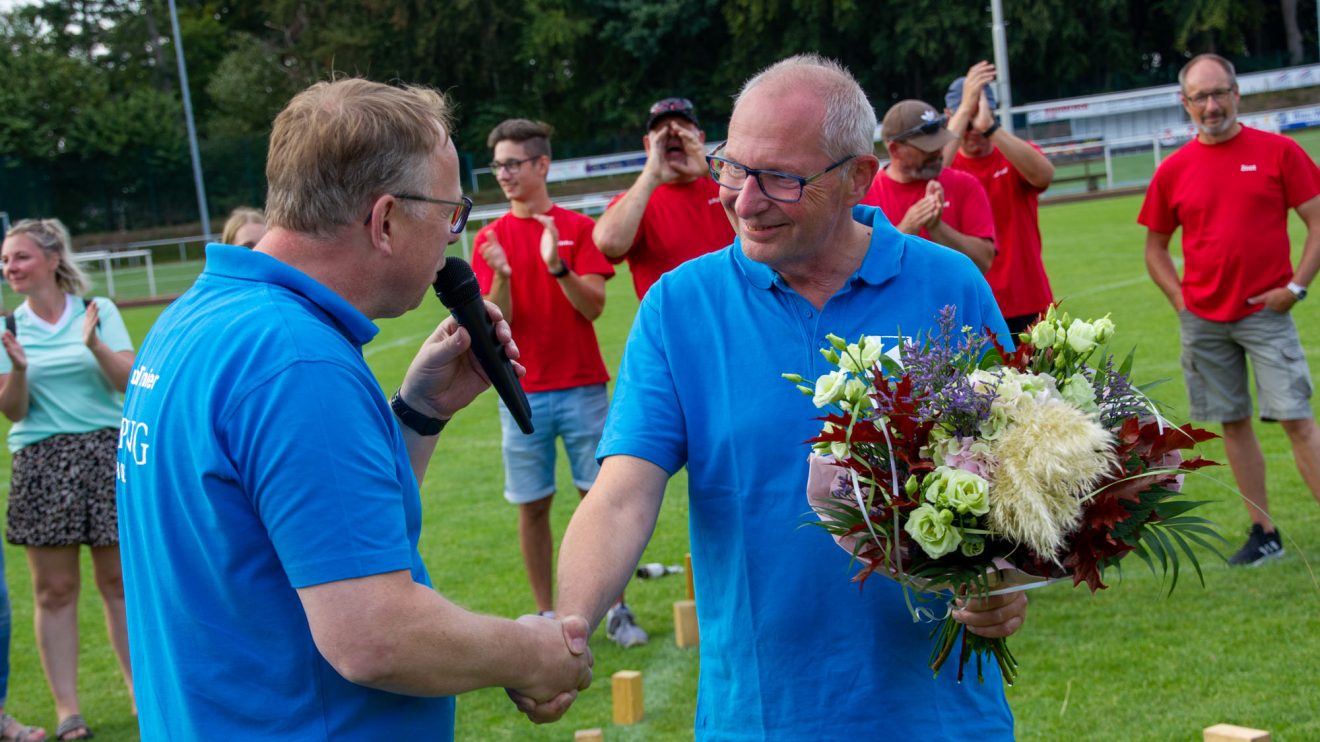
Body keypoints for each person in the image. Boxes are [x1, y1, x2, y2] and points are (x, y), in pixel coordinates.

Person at [546, 54, 1026, 738]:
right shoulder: (680, 308)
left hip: (940, 714)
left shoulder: (947, 286)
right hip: (762, 717)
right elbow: (622, 494)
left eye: (780, 178)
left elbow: (1010, 472)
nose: (743, 199)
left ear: (859, 176)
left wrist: (1003, 583)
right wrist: (566, 630)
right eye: (734, 168)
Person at [116, 79, 593, 740]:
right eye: (452, 212)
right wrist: (530, 653)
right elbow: (373, 636)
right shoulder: (297, 362)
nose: (455, 236)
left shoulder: (198, 317)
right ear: (387, 219)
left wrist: (419, 411)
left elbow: (312, 530)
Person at [1139, 52, 1320, 567]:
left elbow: (1317, 221)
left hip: (1267, 314)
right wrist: (1180, 300)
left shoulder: (1279, 152)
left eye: (1220, 93)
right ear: (1185, 103)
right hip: (1204, 322)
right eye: (1201, 97)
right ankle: (1264, 531)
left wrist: (1297, 288)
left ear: (1237, 94)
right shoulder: (1173, 170)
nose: (1212, 105)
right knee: (1233, 423)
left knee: (1297, 420)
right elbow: (1155, 249)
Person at [473, 119, 648, 648]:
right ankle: (548, 617)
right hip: (520, 392)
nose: (503, 174)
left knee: (600, 500)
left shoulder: (577, 226)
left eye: (512, 164)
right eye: (498, 165)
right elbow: (492, 323)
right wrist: (501, 275)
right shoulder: (489, 238)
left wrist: (557, 268)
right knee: (533, 506)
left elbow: (593, 307)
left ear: (541, 165)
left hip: (582, 387)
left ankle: (616, 612)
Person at [0, 218, 136, 741]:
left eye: (20, 257)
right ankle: (67, 712)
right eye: (6, 261)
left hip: (105, 453)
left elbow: (128, 380)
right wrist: (17, 370)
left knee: (120, 585)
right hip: (41, 463)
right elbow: (12, 411)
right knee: (54, 590)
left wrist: (94, 345)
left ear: (53, 259)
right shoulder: (8, 326)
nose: (10, 268)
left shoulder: (98, 313)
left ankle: (138, 692)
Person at [943, 62, 1057, 335]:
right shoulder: (946, 163)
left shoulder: (1012, 152)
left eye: (980, 117)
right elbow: (931, 176)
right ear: (950, 116)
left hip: (1028, 297)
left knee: (1043, 378)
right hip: (972, 304)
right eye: (966, 120)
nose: (975, 130)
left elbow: (1043, 175)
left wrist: (992, 128)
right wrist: (965, 110)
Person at [592, 98, 735, 299]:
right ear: (647, 144)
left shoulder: (724, 185)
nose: (673, 136)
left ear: (700, 138)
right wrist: (651, 174)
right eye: (661, 132)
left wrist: (708, 169)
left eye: (683, 130)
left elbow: (763, 208)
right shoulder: (637, 201)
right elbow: (609, 243)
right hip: (672, 327)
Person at [861, 99, 996, 274]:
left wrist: (937, 228)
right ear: (894, 150)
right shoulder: (864, 196)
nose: (939, 152)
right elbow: (861, 272)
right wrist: (905, 231)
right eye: (927, 147)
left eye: (940, 143)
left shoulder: (965, 184)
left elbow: (984, 263)